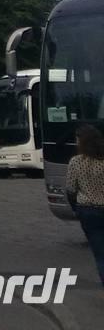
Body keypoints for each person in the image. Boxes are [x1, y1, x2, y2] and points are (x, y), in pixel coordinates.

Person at [66, 122, 104, 285]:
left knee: (100, 254)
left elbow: (70, 189)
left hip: (88, 211)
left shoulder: (76, 162)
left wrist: (75, 208)